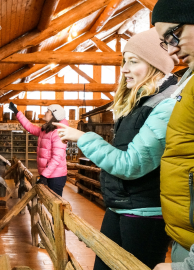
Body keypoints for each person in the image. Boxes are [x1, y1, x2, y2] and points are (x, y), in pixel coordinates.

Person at [53, 28, 178, 270]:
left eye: (133, 61)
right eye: (124, 62)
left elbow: (130, 164)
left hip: (145, 211)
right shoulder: (140, 102)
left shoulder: (164, 106)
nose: (125, 69)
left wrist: (83, 138)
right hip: (121, 204)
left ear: (155, 64)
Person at [152, 0, 194, 265]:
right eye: (165, 41)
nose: (172, 49)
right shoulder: (189, 82)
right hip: (184, 236)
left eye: (173, 34)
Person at [8, 103, 68, 196]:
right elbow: (30, 127)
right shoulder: (45, 131)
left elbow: (56, 158)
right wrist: (16, 112)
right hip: (48, 174)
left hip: (56, 177)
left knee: (54, 205)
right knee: (48, 205)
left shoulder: (58, 134)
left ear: (53, 116)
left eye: (48, 111)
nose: (45, 112)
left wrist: (44, 176)